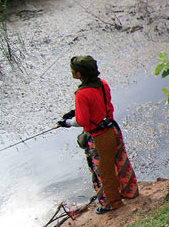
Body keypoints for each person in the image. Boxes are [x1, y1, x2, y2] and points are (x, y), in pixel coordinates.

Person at [57, 56, 139, 214]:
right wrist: (74, 112)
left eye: (72, 69)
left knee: (103, 170)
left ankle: (111, 204)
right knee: (121, 161)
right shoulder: (103, 84)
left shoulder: (81, 94)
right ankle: (130, 191)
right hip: (112, 129)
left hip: (99, 137)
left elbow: (82, 120)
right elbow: (100, 106)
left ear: (79, 74)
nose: (71, 71)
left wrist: (66, 122)